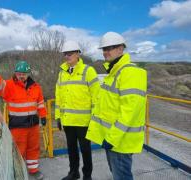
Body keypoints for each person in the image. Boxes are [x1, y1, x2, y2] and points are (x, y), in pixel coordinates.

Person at [86, 32, 147, 180]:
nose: (105, 52)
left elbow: (129, 112)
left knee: (122, 176)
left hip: (120, 142)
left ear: (121, 49)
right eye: (104, 49)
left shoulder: (130, 72)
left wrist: (112, 138)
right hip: (113, 139)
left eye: (110, 48)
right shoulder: (114, 72)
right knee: (116, 174)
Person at [0, 60, 46, 180]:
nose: (21, 76)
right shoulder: (9, 85)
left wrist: (43, 116)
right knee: (18, 151)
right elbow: (0, 86)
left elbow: (40, 103)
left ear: (28, 74)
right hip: (18, 127)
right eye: (19, 73)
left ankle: (33, 170)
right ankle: (18, 173)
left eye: (24, 73)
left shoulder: (36, 87)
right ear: (15, 73)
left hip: (33, 126)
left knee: (33, 148)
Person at [55, 41, 100, 180]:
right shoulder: (62, 73)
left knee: (86, 150)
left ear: (78, 54)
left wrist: (95, 118)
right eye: (65, 54)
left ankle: (87, 175)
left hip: (84, 122)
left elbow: (97, 97)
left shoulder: (88, 71)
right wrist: (58, 116)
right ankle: (73, 173)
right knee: (72, 149)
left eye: (70, 53)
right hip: (68, 120)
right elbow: (58, 96)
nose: (67, 56)